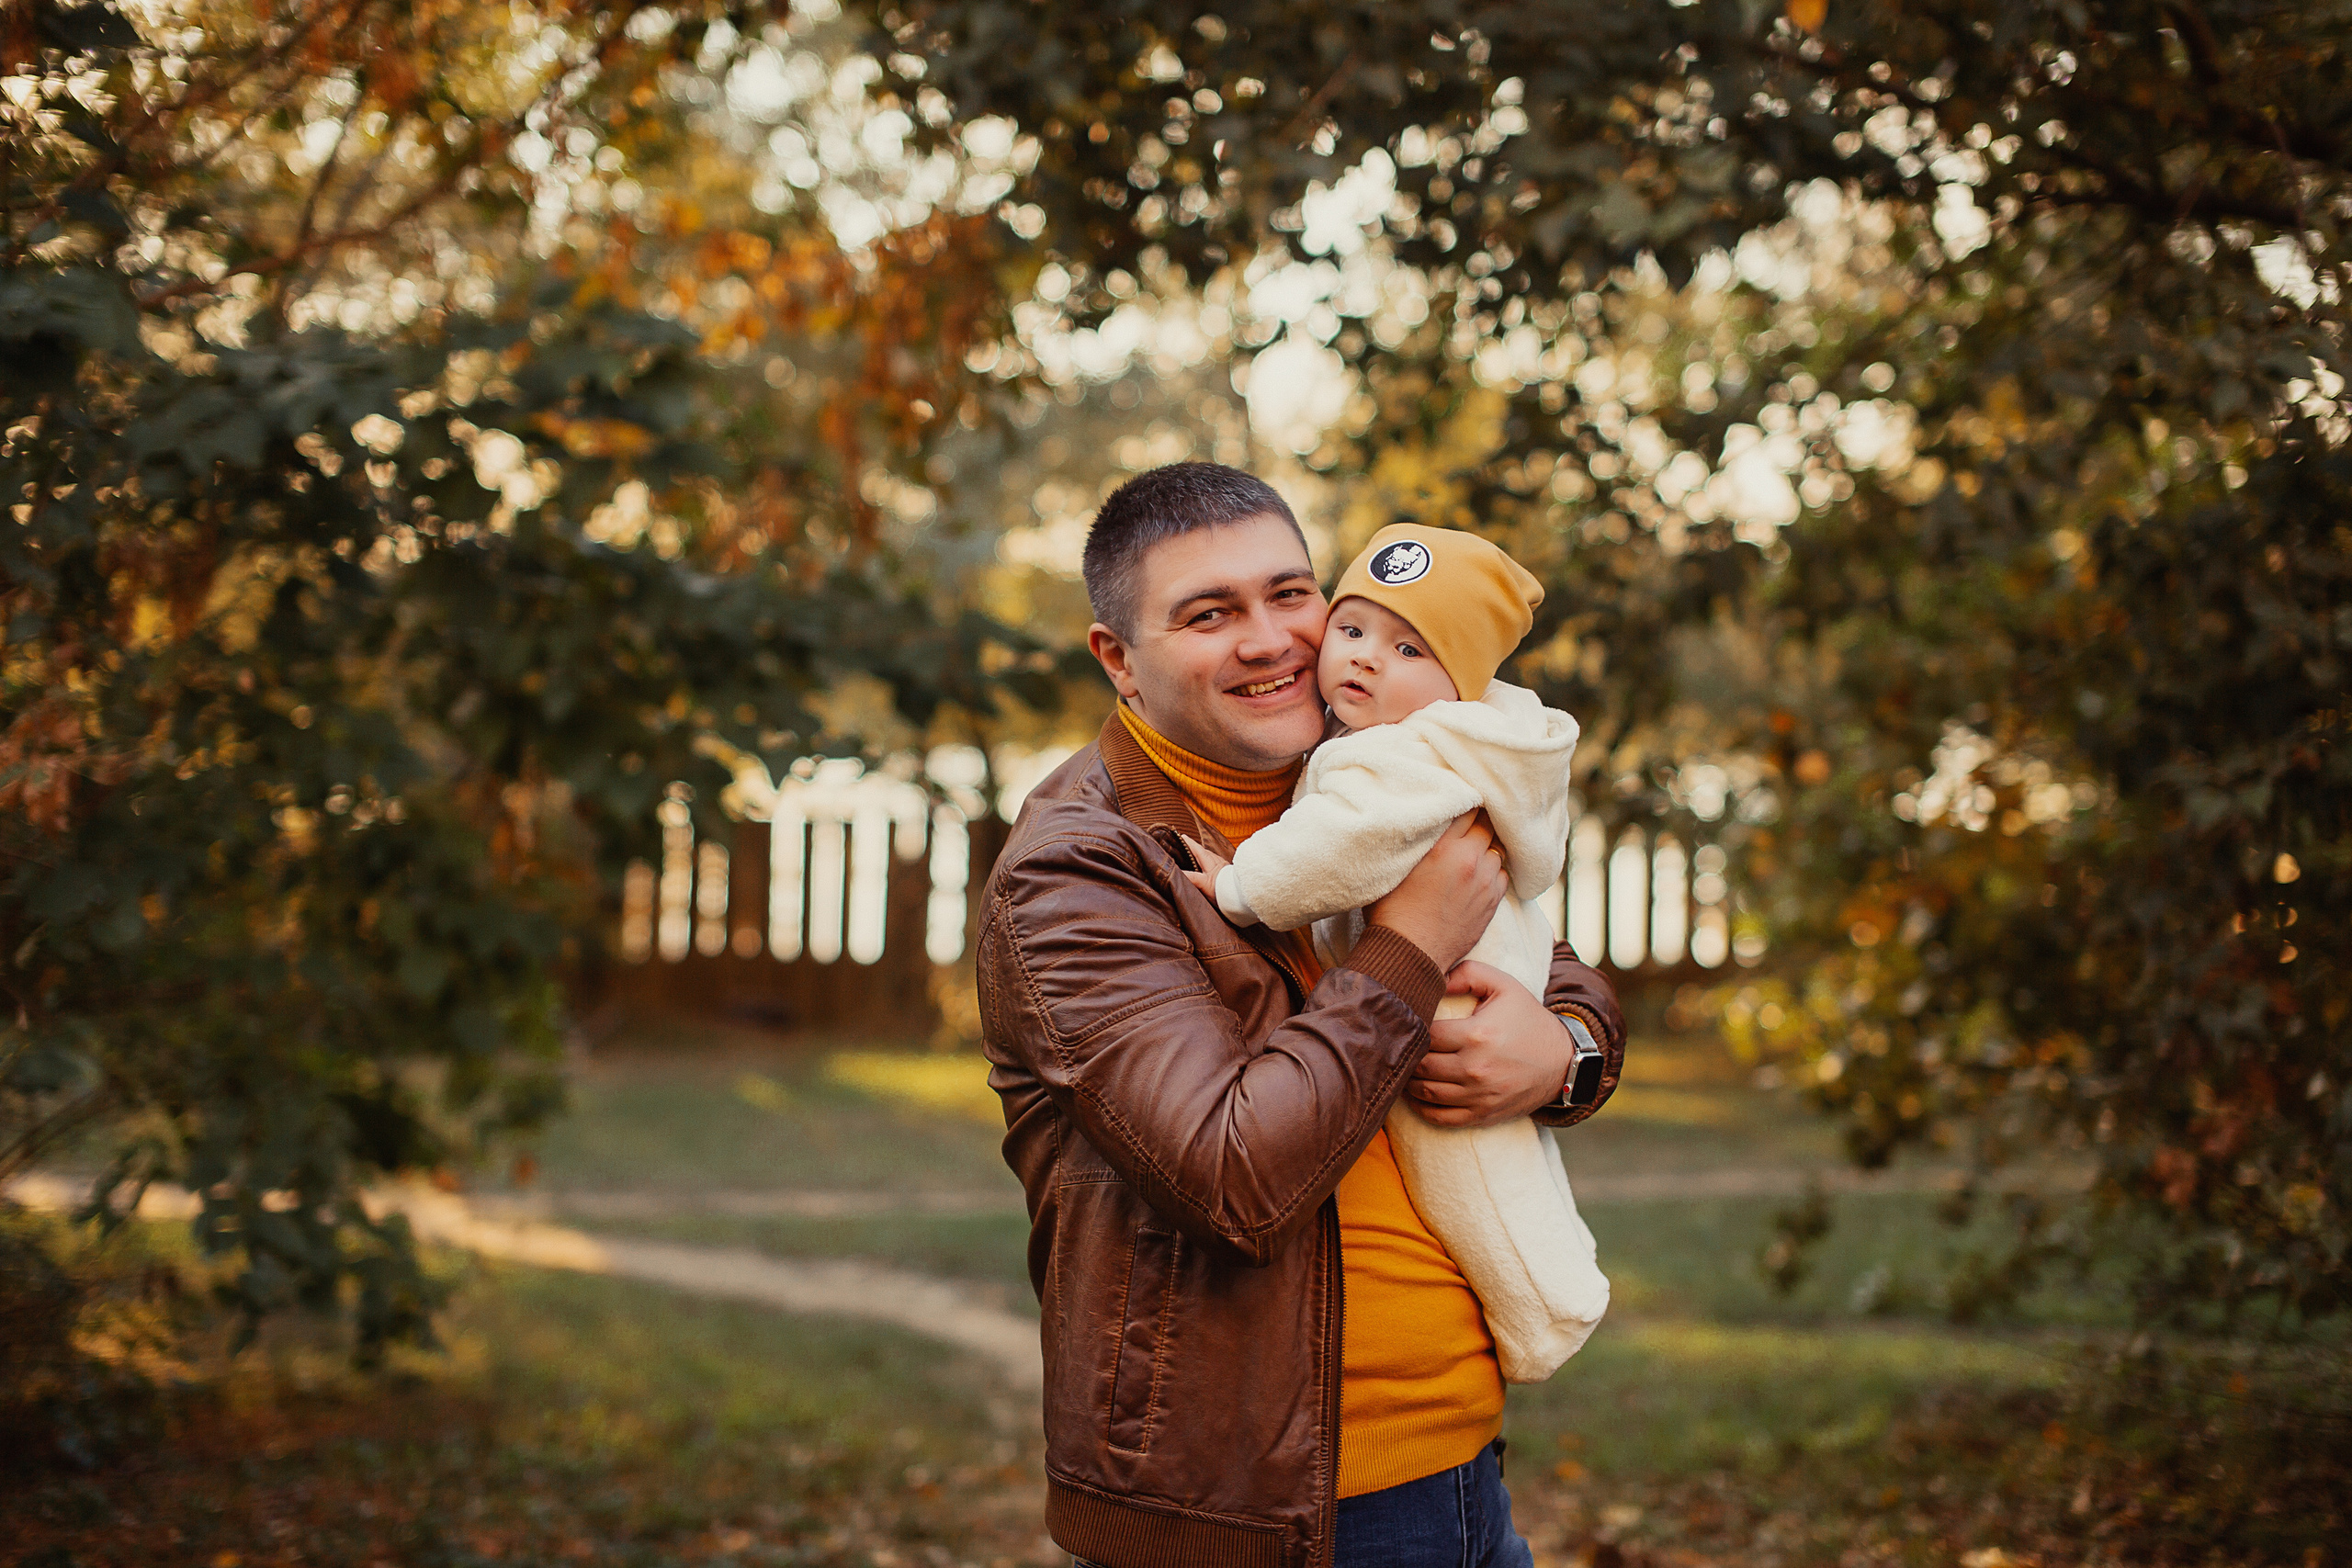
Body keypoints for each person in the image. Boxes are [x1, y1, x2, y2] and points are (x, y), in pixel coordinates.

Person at [974, 462, 1625, 1568]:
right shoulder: (1076, 870)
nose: (1271, 639)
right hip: (1267, 1519)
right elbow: (1233, 1175)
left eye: (1291, 594)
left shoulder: (1360, 775)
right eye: (1208, 614)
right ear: (1118, 659)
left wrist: (1561, 1052)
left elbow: (1547, 961)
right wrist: (1410, 944)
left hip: (1463, 1480)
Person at [1177, 522, 1611, 1387]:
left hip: (1446, 1006)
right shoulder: (1468, 739)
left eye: (1409, 647)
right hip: (1464, 984)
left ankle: (1545, 1311)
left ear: (1458, 680)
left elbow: (1329, 850)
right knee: (1515, 1173)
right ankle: (1554, 1284)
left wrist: (1239, 885)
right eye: (1355, 629)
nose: (1366, 660)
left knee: (1474, 1183)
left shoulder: (1398, 756)